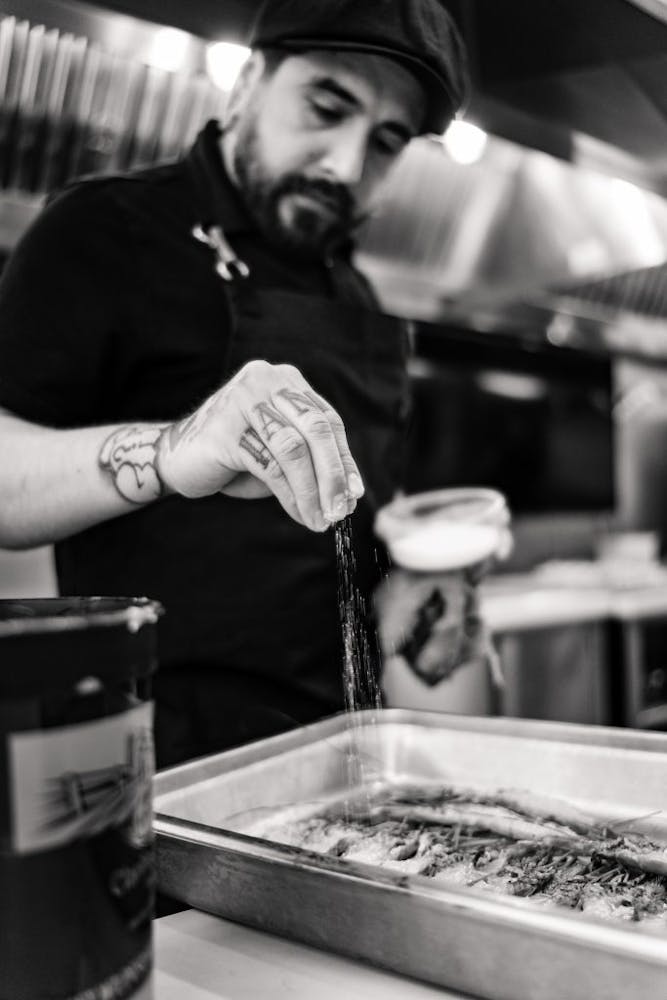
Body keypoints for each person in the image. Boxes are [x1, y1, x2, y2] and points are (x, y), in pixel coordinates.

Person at [0, 0, 479, 768]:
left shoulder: (357, 297)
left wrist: (415, 598)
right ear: (249, 79)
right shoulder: (108, 231)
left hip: (335, 758)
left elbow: (350, 541)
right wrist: (169, 450)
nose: (345, 165)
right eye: (327, 107)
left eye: (386, 143)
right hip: (158, 767)